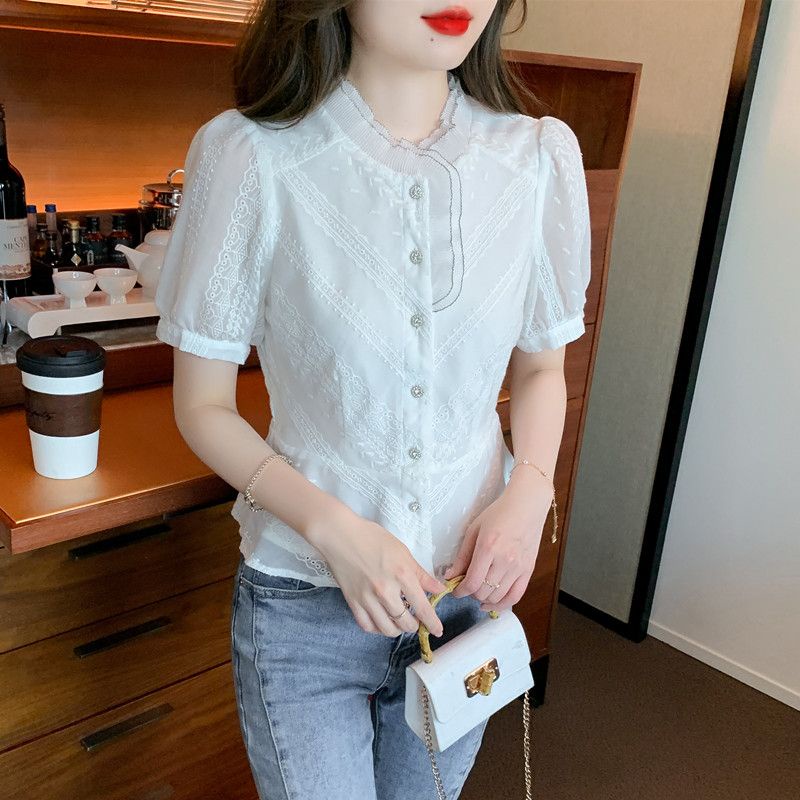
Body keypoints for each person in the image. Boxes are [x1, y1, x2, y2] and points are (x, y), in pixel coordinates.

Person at [154, 0, 591, 797]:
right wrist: (337, 531)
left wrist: (529, 495)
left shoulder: (535, 159)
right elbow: (203, 406)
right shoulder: (252, 156)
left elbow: (540, 370)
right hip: (304, 604)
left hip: (464, 600)